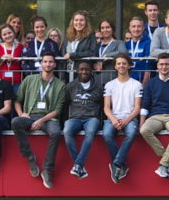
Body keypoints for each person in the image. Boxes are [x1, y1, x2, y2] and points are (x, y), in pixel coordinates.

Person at [13, 53, 66, 188]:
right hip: (30, 116)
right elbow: (17, 101)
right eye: (45, 61)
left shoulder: (60, 85)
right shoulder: (29, 79)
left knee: (56, 132)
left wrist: (42, 120)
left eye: (50, 62)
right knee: (15, 122)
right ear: (41, 63)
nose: (48, 64)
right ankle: (29, 156)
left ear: (54, 64)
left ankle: (47, 169)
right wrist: (21, 114)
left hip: (48, 118)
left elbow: (57, 110)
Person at [140, 54, 169, 179]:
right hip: (155, 116)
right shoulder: (151, 83)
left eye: (166, 64)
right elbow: (145, 104)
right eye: (161, 64)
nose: (164, 67)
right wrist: (142, 122)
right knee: (144, 130)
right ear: (157, 66)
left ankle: (164, 164)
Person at [61, 59, 106, 180]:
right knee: (66, 131)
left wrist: (101, 122)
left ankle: (78, 165)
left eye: (86, 69)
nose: (84, 72)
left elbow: (103, 106)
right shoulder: (70, 86)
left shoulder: (98, 86)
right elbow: (65, 105)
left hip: (92, 118)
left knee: (90, 132)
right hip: (74, 118)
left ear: (91, 71)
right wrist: (63, 121)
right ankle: (79, 165)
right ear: (77, 71)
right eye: (81, 69)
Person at [102, 55, 143, 184]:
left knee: (131, 133)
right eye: (119, 63)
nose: (121, 66)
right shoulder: (109, 85)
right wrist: (114, 119)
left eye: (124, 63)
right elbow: (106, 107)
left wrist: (126, 120)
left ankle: (117, 163)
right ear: (115, 66)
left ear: (129, 65)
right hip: (113, 117)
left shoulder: (136, 84)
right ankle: (120, 164)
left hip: (129, 118)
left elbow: (137, 107)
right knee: (107, 134)